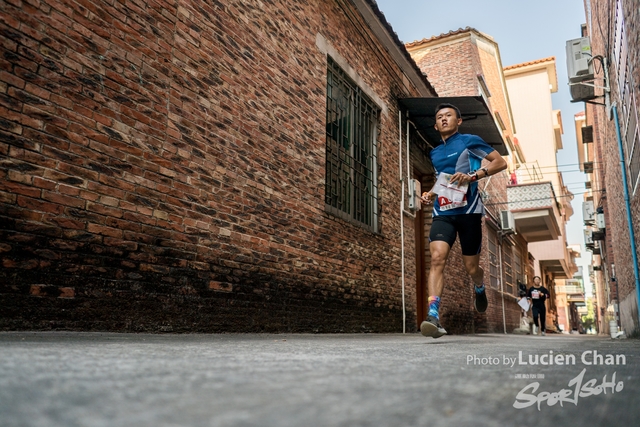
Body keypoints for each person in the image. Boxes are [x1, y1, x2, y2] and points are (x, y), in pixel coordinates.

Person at [419, 103, 507, 338]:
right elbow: (443, 181)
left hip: (469, 212)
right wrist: (430, 194)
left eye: (448, 115)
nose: (444, 119)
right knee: (437, 258)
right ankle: (433, 315)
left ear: (458, 121)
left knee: (471, 268)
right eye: (439, 117)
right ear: (436, 125)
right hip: (443, 212)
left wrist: (472, 176)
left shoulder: (469, 141)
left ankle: (480, 287)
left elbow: (500, 162)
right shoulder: (435, 152)